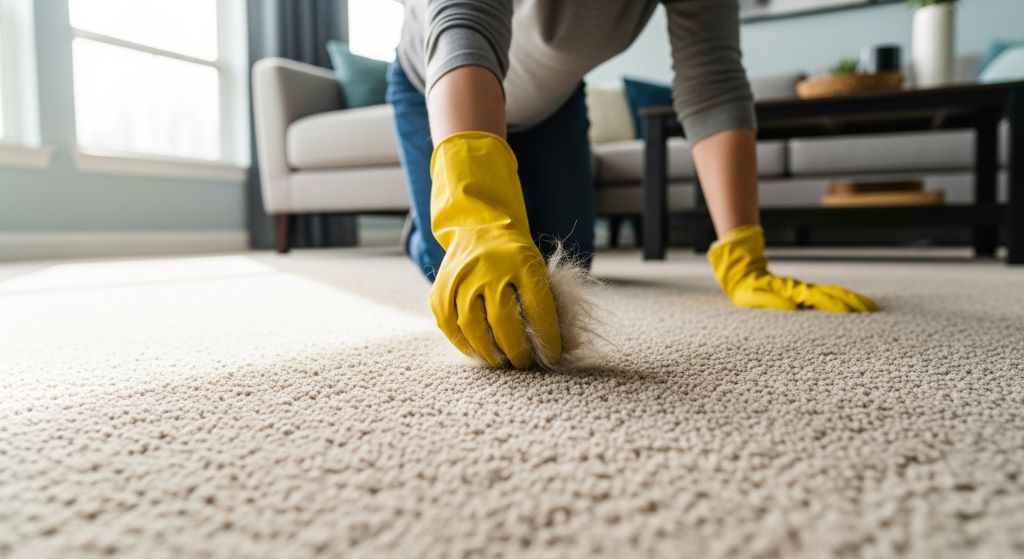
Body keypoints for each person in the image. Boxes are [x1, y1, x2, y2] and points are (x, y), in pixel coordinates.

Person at [386, 0, 877, 370]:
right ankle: (422, 231)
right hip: (434, 75)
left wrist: (743, 256)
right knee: (462, 277)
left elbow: (713, 82)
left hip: (552, 100)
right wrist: (472, 214)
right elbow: (463, 22)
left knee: (571, 253)